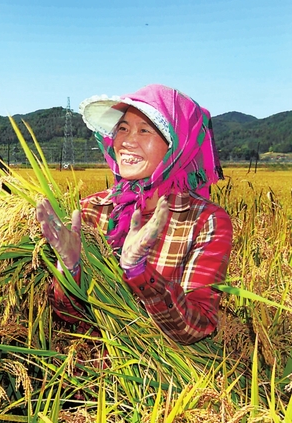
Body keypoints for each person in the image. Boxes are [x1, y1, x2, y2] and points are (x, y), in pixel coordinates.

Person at [36, 84, 232, 344]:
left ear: (177, 146)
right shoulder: (91, 210)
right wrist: (70, 270)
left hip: (160, 377)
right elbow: (69, 317)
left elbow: (196, 329)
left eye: (144, 130)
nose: (127, 141)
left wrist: (138, 270)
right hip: (85, 373)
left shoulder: (204, 220)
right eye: (123, 128)